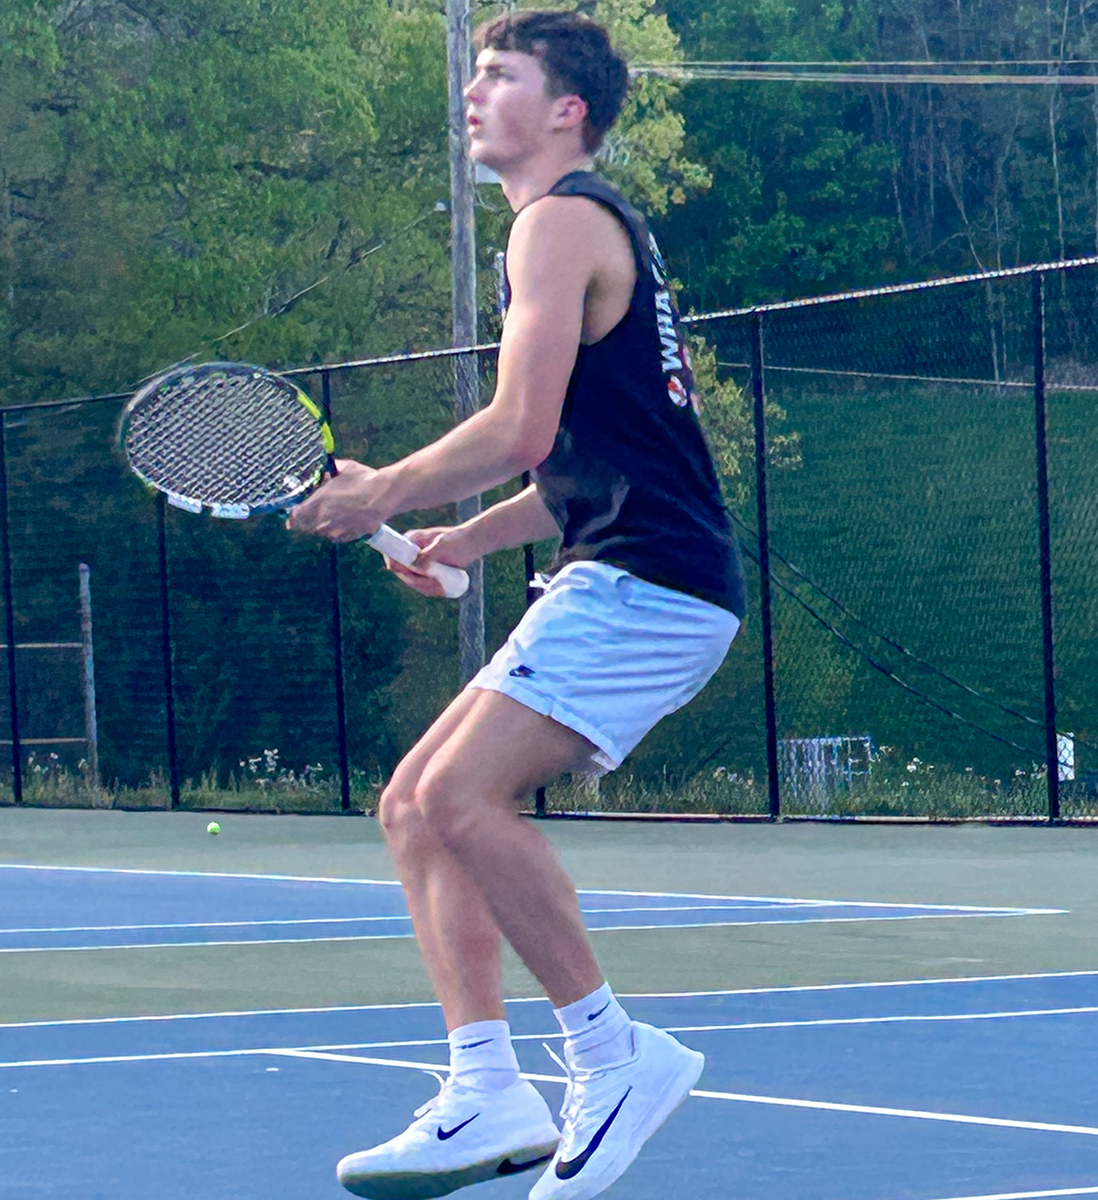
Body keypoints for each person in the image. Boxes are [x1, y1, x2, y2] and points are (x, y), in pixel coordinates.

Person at [288, 10, 746, 1199]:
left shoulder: (560, 222)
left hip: (651, 582)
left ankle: (612, 1054)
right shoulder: (570, 234)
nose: (473, 92)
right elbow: (583, 466)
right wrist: (461, 536)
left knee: (458, 796)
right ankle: (486, 1090)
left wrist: (382, 489)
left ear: (566, 111)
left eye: (500, 75)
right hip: (631, 566)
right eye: (475, 74)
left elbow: (519, 429)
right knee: (414, 808)